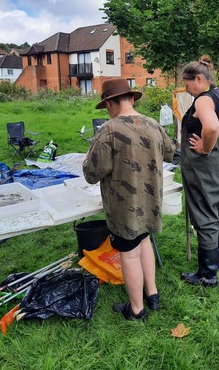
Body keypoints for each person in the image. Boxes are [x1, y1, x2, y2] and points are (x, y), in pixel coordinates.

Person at [82, 79, 174, 320]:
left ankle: (136, 309)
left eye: (107, 106)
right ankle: (152, 295)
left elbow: (92, 173)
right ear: (132, 99)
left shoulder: (109, 130)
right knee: (144, 241)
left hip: (124, 207)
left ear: (110, 103)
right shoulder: (154, 125)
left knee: (129, 252)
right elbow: (170, 151)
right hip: (150, 201)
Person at [179, 56, 219, 286]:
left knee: (204, 215)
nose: (186, 89)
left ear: (199, 79)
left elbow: (211, 127)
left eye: (187, 84)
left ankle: (207, 274)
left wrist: (205, 147)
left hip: (207, 167)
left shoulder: (204, 100)